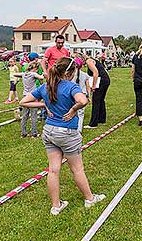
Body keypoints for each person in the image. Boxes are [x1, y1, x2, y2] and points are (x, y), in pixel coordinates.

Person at [20, 57, 106, 215]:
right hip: (67, 133)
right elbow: (83, 100)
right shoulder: (71, 86)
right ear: (71, 72)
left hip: (49, 131)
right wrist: (73, 110)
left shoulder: (47, 86)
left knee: (53, 170)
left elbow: (23, 102)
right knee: (77, 169)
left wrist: (44, 103)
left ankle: (56, 205)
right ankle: (89, 198)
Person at [74, 53, 111, 129]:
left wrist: (93, 86)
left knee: (96, 101)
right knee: (101, 100)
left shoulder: (89, 61)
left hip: (101, 81)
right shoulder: (92, 60)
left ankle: (93, 123)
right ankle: (102, 119)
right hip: (105, 80)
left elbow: (96, 73)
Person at [14, 61, 44, 137]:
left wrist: (23, 75)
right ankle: (34, 133)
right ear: (35, 68)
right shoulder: (34, 74)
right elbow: (41, 77)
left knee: (25, 115)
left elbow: (15, 74)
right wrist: (42, 75)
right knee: (33, 115)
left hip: (25, 97)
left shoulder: (24, 74)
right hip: (32, 97)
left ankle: (23, 133)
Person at [73, 58, 91, 132]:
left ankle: (72, 128)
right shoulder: (85, 75)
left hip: (73, 95)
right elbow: (88, 86)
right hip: (83, 96)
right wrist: (89, 96)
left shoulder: (70, 75)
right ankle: (79, 129)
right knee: (80, 114)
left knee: (73, 112)